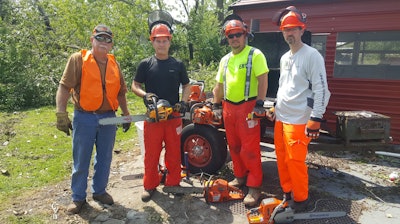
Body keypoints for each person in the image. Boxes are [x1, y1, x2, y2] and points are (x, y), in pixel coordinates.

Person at [56, 24, 131, 214]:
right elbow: (64, 87)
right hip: (85, 117)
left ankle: (99, 191)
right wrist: (61, 114)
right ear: (92, 40)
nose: (103, 42)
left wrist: (126, 114)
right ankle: (78, 198)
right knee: (81, 159)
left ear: (111, 44)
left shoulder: (114, 64)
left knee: (105, 157)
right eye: (100, 38)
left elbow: (121, 93)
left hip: (109, 117)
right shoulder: (78, 59)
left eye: (108, 39)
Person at [270, 6, 331, 211]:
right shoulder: (285, 57)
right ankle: (287, 192)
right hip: (281, 116)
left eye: (294, 29)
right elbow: (284, 86)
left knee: (295, 161)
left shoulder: (312, 55)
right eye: (286, 29)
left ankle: (301, 199)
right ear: (282, 32)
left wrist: (316, 117)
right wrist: (276, 106)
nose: (290, 33)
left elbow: (322, 88)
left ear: (302, 30)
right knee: (281, 157)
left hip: (299, 119)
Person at [212, 15, 269, 206]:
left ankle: (254, 186)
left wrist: (260, 102)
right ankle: (240, 176)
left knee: (250, 149)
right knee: (234, 146)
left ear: (245, 35)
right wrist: (215, 104)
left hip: (248, 107)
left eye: (238, 35)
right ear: (226, 39)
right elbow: (218, 85)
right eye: (231, 36)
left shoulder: (255, 54)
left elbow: (263, 79)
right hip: (229, 107)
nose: (235, 38)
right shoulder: (225, 60)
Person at [131, 22, 191, 202]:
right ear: (152, 42)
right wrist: (145, 95)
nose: (162, 44)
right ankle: (150, 185)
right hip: (153, 117)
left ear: (169, 42)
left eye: (165, 41)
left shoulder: (178, 64)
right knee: (152, 153)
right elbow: (135, 85)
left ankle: (173, 183)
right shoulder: (146, 64)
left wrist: (184, 102)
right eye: (158, 41)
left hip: (173, 116)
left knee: (173, 152)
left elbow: (187, 85)